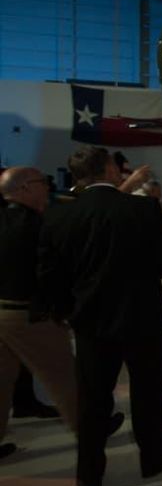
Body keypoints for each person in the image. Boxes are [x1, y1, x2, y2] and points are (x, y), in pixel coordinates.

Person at [37, 146, 162, 486]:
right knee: (148, 394)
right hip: (142, 318)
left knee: (92, 398)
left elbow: (49, 274)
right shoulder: (142, 208)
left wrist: (66, 312)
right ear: (107, 169)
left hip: (90, 322)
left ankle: (90, 474)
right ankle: (153, 459)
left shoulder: (59, 216)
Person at [0, 167, 79, 459]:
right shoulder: (37, 227)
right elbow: (51, 274)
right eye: (41, 183)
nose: (47, 188)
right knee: (65, 376)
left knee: (1, 381)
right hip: (28, 315)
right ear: (22, 189)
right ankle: (91, 429)